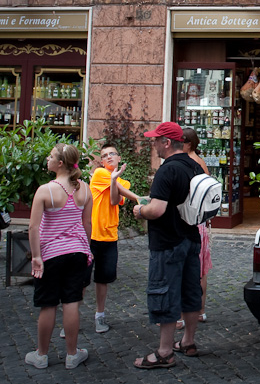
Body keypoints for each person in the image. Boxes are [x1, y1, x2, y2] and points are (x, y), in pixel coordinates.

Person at [132, 122, 203, 369]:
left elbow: (157, 209)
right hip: (191, 237)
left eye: (155, 140)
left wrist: (141, 210)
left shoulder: (167, 170)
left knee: (166, 292)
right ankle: (188, 342)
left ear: (167, 143)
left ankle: (164, 352)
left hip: (168, 241)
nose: (153, 145)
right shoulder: (194, 166)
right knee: (191, 292)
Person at [25, 143, 93, 370]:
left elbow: (34, 228)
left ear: (60, 163)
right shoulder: (84, 188)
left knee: (48, 304)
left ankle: (41, 355)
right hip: (77, 252)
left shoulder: (45, 191)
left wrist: (36, 257)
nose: (47, 158)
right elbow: (87, 224)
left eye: (51, 156)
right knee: (72, 302)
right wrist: (87, 249)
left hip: (51, 254)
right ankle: (72, 354)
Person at [88, 144, 140, 334]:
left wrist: (114, 179)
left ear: (119, 158)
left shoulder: (122, 182)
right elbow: (116, 189)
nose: (108, 157)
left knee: (103, 279)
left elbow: (112, 199)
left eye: (112, 154)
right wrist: (140, 199)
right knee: (82, 280)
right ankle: (72, 317)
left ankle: (99, 316)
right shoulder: (100, 173)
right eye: (104, 155)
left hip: (109, 236)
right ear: (101, 161)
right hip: (91, 235)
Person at [179, 127, 211, 329]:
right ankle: (200, 311)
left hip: (189, 219)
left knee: (188, 269)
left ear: (188, 143)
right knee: (202, 269)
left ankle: (182, 316)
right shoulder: (202, 163)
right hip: (201, 220)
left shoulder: (187, 164)